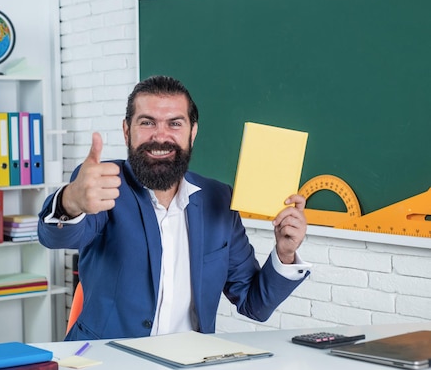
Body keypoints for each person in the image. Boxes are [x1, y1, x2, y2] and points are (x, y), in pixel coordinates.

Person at [38, 75, 310, 341]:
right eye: (147, 122)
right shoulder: (103, 183)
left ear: (192, 132)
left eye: (174, 124)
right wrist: (70, 201)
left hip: (189, 361)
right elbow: (57, 237)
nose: (160, 136)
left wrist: (285, 253)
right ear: (126, 131)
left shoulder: (219, 198)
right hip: (108, 359)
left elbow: (255, 305)